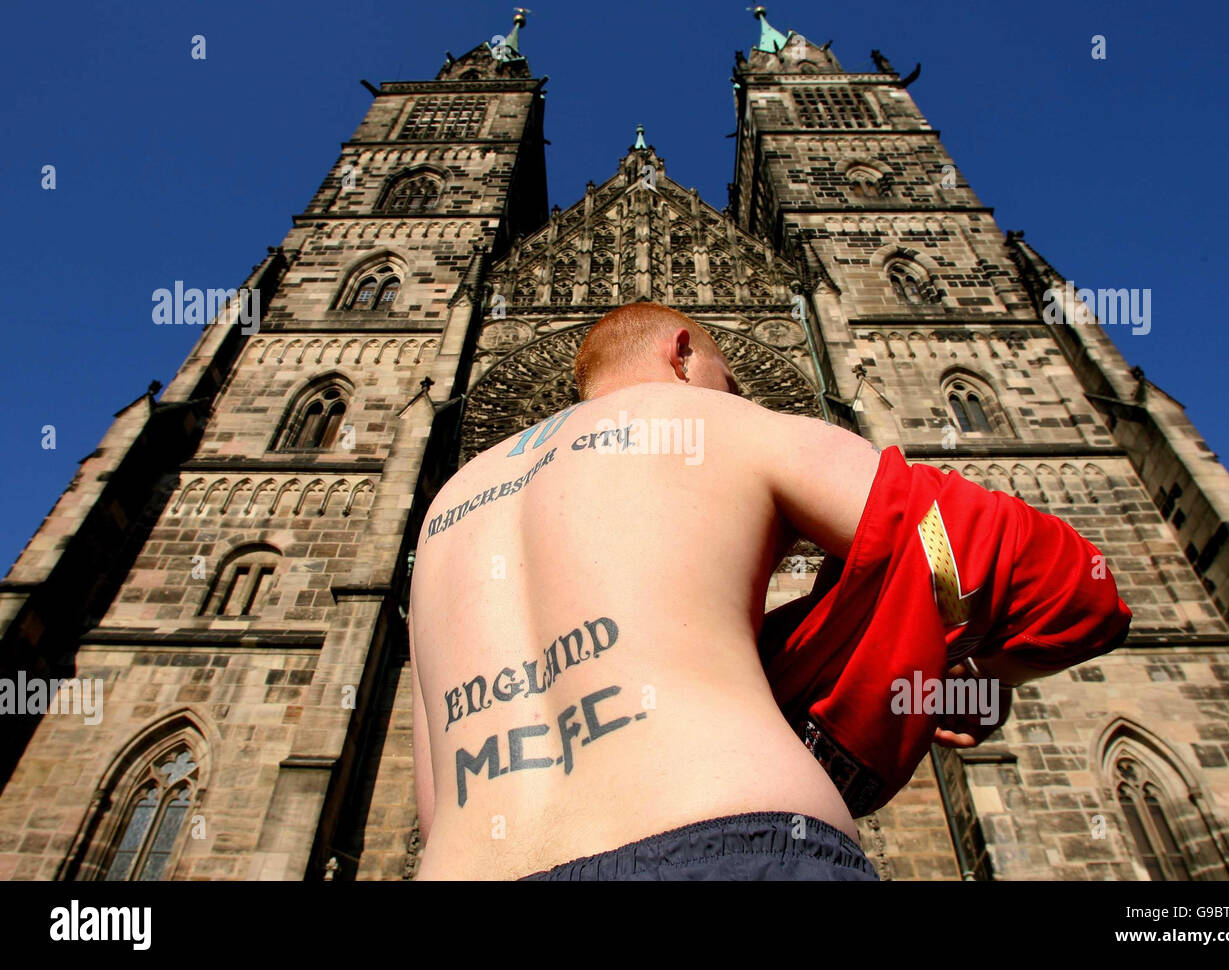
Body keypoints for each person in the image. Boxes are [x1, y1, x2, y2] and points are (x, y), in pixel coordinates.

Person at [408, 301, 1093, 880]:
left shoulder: (448, 510)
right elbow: (954, 542)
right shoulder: (714, 423)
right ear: (682, 355)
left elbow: (436, 803)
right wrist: (974, 668)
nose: (739, 399)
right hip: (725, 845)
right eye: (732, 382)